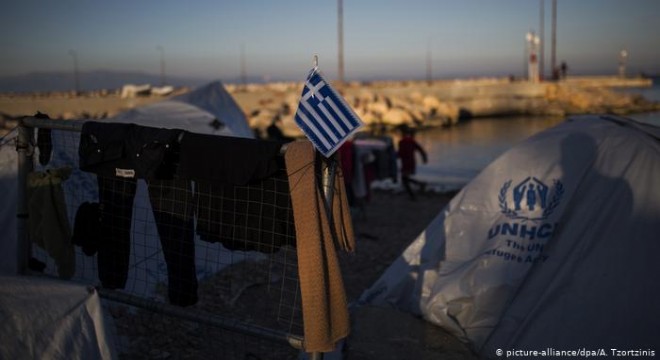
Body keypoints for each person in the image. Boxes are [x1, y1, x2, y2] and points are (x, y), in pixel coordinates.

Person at [397, 125, 427, 200]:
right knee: (405, 179)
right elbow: (420, 149)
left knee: (404, 179)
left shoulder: (402, 142)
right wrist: (424, 158)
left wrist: (392, 156)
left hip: (406, 163)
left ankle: (414, 193)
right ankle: (418, 187)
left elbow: (401, 153)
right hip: (411, 162)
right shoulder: (411, 141)